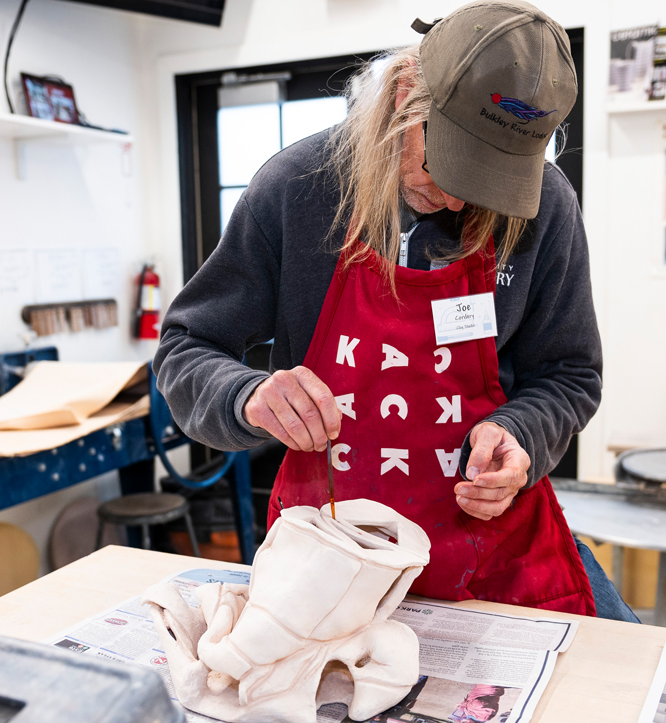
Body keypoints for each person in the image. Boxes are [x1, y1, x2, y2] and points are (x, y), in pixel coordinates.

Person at [156, 0, 637, 622]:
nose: (459, 196)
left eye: (490, 181)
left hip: (492, 548)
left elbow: (569, 376)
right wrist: (247, 397)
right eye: (447, 164)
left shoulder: (546, 205)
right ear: (404, 97)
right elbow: (186, 348)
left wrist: (522, 436)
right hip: (333, 552)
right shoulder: (296, 189)